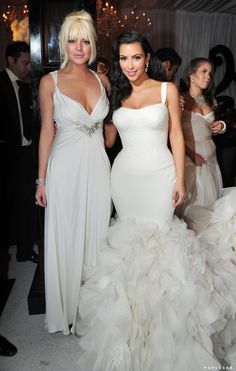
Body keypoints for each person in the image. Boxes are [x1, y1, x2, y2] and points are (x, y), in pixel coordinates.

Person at [75, 32, 236, 370]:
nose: (129, 65)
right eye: (123, 58)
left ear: (147, 58)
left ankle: (168, 339)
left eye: (135, 57)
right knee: (129, 254)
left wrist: (179, 178)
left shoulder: (167, 89)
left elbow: (176, 135)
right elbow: (107, 140)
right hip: (124, 179)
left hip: (159, 176)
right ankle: (130, 336)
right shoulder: (116, 93)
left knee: (163, 249)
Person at [35, 10, 111, 335]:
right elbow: (46, 132)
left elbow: (109, 131)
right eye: (71, 40)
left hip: (98, 166)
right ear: (62, 44)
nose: (78, 47)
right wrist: (41, 180)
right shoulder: (48, 82)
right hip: (64, 169)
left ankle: (91, 311)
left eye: (85, 40)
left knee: (98, 235)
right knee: (66, 235)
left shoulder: (103, 80)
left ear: (92, 44)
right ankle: (65, 309)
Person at [0, 41, 39, 263]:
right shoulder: (0, 84)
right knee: (6, 206)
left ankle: (25, 251)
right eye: (25, 63)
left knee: (27, 205)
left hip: (26, 156)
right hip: (6, 157)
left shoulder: (27, 87)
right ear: (11, 61)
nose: (29, 68)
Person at [176, 58, 227, 223]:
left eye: (210, 74)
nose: (208, 77)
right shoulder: (180, 99)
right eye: (203, 72)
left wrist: (221, 126)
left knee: (211, 200)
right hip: (190, 156)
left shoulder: (211, 100)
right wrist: (191, 154)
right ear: (191, 75)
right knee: (193, 204)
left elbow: (210, 127)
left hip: (211, 157)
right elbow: (174, 133)